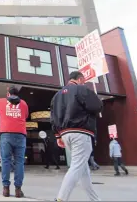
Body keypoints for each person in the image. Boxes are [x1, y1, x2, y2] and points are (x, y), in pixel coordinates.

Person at [50, 71, 103, 201]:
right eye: (84, 81)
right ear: (80, 79)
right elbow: (97, 106)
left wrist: (57, 136)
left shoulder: (56, 96)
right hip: (81, 131)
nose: (84, 83)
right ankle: (61, 198)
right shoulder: (81, 89)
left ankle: (95, 199)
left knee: (82, 169)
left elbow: (53, 118)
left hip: (65, 133)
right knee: (77, 167)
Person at [0, 86, 29, 198]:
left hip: (6, 135)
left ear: (8, 94)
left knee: (5, 161)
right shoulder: (24, 103)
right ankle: (18, 190)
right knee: (19, 162)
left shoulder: (1, 101)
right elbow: (25, 116)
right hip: (20, 135)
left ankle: (6, 189)